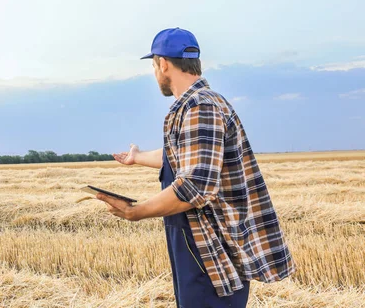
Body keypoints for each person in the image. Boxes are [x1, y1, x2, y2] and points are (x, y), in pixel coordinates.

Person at [97, 28, 296, 307]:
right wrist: (138, 157)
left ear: (163, 63)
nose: (155, 73)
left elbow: (195, 185)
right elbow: (185, 157)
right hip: (197, 244)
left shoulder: (199, 107)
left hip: (208, 249)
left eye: (154, 65)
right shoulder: (198, 104)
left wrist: (135, 211)